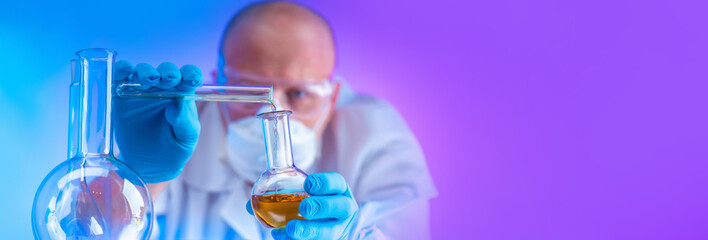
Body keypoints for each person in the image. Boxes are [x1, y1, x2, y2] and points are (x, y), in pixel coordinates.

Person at [112, 1, 436, 239]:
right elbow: (94, 230)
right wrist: (143, 179)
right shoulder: (171, 130)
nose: (269, 110)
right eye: (248, 91)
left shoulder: (374, 138)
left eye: (298, 93)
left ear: (332, 97)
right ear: (219, 82)